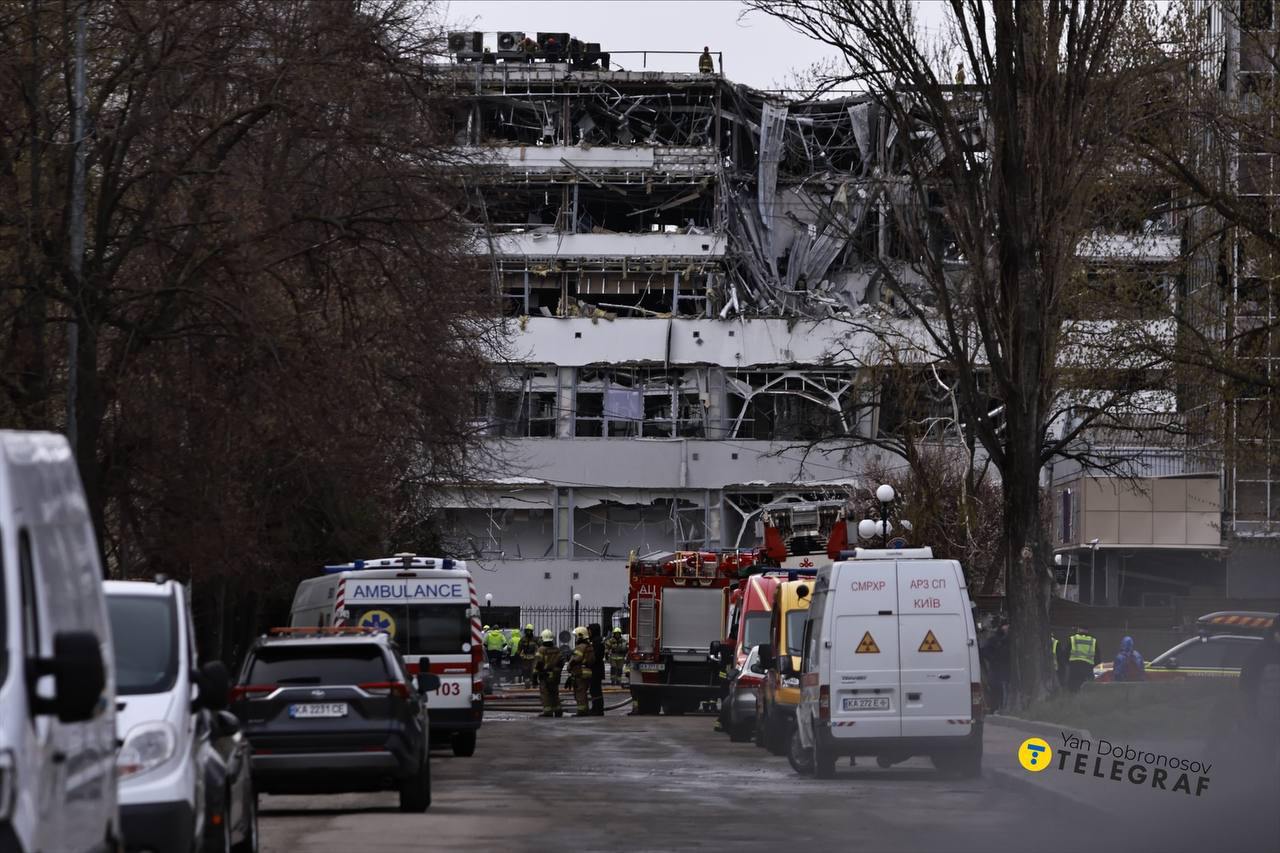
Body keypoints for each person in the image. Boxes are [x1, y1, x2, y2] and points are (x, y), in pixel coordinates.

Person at [1240, 621, 1280, 761]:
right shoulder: (1260, 652)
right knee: (1265, 752)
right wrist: (1251, 711)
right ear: (1275, 632)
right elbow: (1247, 683)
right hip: (1265, 714)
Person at [533, 629, 564, 717]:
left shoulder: (541, 650)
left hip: (545, 675)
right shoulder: (557, 649)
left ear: (542, 638)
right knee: (554, 693)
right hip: (555, 676)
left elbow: (538, 663)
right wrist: (557, 670)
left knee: (545, 694)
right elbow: (561, 661)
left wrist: (535, 676)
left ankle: (548, 711)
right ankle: (558, 710)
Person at [568, 626, 595, 716]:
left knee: (580, 693)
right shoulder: (589, 646)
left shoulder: (580, 647)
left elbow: (576, 659)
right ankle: (585, 709)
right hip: (588, 672)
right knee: (583, 692)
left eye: (576, 636)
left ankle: (582, 711)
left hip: (580, 672)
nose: (576, 638)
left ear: (581, 636)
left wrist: (570, 666)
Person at [1066, 625, 1099, 692]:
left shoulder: (1073, 639)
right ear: (1087, 630)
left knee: (1073, 689)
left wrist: (1070, 664)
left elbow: (1065, 654)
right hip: (1087, 668)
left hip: (1074, 668)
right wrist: (1091, 665)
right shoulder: (1093, 641)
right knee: (1089, 690)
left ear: (1078, 629)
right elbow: (1098, 658)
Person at [588, 623, 606, 716]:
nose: (588, 632)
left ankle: (598, 709)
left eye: (590, 630)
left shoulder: (596, 642)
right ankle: (596, 708)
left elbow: (595, 656)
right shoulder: (597, 640)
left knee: (595, 689)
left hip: (596, 669)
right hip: (598, 668)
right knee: (595, 689)